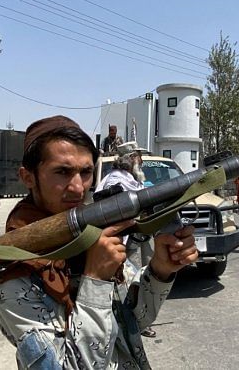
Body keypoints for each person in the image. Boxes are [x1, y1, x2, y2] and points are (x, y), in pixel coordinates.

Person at [0, 115, 198, 368]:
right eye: (62, 172)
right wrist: (95, 280)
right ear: (28, 177)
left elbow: (133, 321)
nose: (78, 188)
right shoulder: (15, 279)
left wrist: (161, 269)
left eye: (86, 172)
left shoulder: (90, 238)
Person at [95, 142, 157, 338]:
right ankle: (136, 322)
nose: (141, 161)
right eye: (138, 157)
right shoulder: (117, 181)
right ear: (131, 160)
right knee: (132, 283)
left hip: (128, 238)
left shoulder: (123, 178)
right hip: (122, 241)